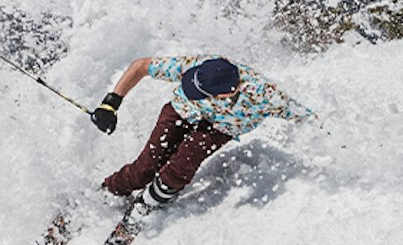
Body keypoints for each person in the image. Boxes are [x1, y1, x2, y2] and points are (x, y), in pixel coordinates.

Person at [90, 53, 311, 205]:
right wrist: (112, 102)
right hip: (180, 112)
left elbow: (307, 118)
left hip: (220, 127)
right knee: (146, 166)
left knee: (180, 167)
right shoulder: (199, 64)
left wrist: (334, 142)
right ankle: (110, 191)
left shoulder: (265, 96)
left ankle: (152, 200)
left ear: (227, 93)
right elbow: (141, 66)